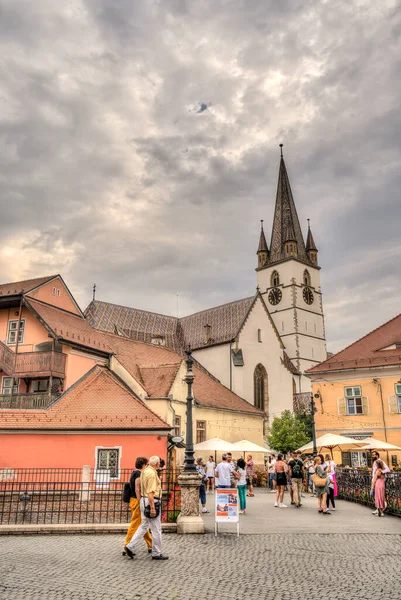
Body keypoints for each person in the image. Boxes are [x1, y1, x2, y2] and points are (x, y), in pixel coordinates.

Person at [125, 455, 168, 560]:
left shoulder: (144, 471)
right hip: (151, 501)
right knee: (156, 528)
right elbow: (150, 492)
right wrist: (153, 507)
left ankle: (129, 546)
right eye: (159, 464)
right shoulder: (152, 474)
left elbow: (139, 487)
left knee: (143, 526)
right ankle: (156, 552)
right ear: (157, 464)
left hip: (143, 501)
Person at [122, 457, 152, 556]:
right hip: (136, 500)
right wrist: (140, 501)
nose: (147, 466)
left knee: (142, 524)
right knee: (135, 524)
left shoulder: (134, 472)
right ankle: (126, 545)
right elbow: (137, 489)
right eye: (147, 464)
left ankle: (150, 544)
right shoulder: (138, 474)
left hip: (133, 500)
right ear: (143, 465)